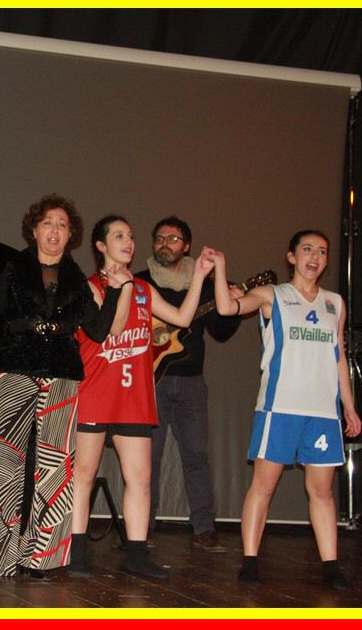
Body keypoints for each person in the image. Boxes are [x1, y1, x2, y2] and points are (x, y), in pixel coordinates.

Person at [0, 194, 134, 580]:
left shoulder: (76, 279)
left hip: (62, 374)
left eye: (62, 225)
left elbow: (98, 331)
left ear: (71, 235)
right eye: (48, 223)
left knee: (55, 468)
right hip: (16, 369)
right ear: (34, 230)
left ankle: (42, 558)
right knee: (5, 462)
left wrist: (116, 291)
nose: (54, 231)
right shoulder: (14, 270)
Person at [210, 230, 362, 590]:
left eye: (322, 251)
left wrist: (349, 406)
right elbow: (226, 308)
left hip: (322, 413)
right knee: (263, 486)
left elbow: (339, 357)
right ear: (291, 257)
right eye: (307, 249)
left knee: (322, 491)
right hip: (280, 408)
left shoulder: (334, 303)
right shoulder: (272, 295)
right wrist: (219, 269)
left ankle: (331, 567)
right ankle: (250, 560)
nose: (315, 256)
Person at [71, 216, 220, 579]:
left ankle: (137, 556)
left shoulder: (143, 288)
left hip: (133, 397)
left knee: (140, 478)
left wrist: (200, 276)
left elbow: (183, 318)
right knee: (84, 476)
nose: (128, 242)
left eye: (131, 236)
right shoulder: (89, 287)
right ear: (101, 246)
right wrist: (121, 288)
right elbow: (113, 328)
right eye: (118, 236)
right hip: (95, 393)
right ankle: (76, 553)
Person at [136, 216, 241, 552]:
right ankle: (142, 527)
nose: (165, 243)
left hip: (192, 383)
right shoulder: (140, 282)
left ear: (187, 246)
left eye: (173, 238)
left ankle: (204, 528)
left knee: (196, 455)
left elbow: (221, 332)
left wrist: (233, 306)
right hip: (150, 383)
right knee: (148, 458)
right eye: (159, 238)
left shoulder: (207, 287)